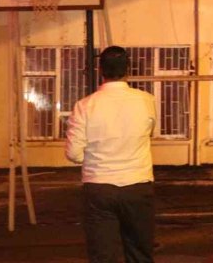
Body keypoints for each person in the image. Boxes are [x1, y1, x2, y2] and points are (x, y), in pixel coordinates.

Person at [65, 46, 158, 263]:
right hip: (138, 186)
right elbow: (149, 133)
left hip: (99, 189)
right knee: (140, 253)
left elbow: (73, 153)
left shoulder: (84, 106)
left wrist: (94, 157)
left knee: (102, 255)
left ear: (100, 70)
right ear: (128, 69)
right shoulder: (146, 100)